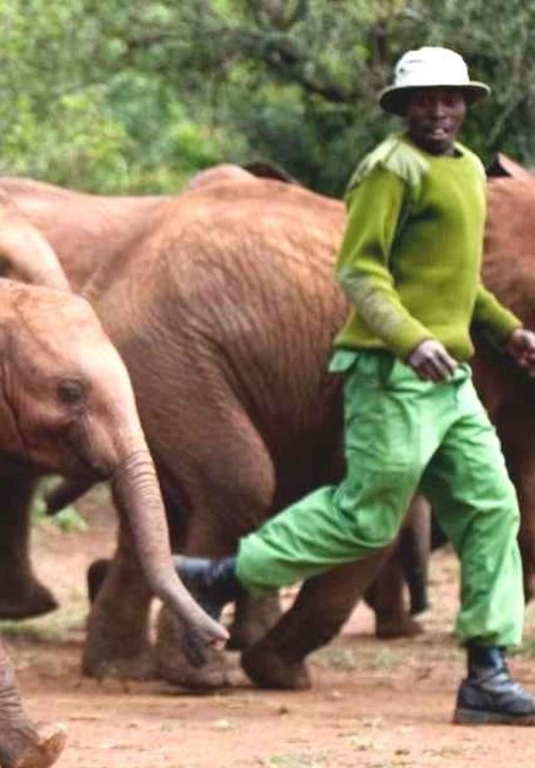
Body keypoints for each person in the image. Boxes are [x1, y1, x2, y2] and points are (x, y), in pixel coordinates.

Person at [174, 46, 535, 724]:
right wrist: (410, 338)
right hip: (391, 374)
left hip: (451, 380)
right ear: (402, 108)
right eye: (423, 100)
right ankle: (219, 577)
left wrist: (508, 330)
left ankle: (486, 672)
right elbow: (360, 273)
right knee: (366, 514)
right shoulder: (387, 170)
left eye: (449, 98)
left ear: (465, 104)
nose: (437, 110)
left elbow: (460, 282)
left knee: (494, 510)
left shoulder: (464, 172)